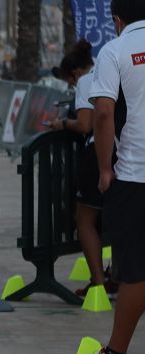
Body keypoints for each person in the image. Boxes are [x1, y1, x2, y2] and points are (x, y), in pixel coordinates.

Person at [67, 0, 145, 354]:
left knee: (134, 271)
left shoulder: (115, 51)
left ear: (118, 20)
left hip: (135, 175)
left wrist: (103, 169)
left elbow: (101, 115)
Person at [49, 40, 116, 298]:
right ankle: (118, 276)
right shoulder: (110, 71)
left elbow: (87, 124)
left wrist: (62, 123)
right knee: (121, 219)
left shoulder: (87, 81)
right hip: (125, 149)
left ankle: (98, 282)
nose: (72, 86)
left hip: (97, 152)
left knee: (84, 218)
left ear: (75, 73)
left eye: (70, 82)